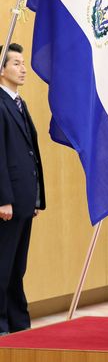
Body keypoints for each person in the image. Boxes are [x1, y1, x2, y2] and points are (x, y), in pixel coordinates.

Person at [0, 43, 45, 335]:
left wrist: (37, 196)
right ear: (1, 70)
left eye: (23, 62)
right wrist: (3, 199)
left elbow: (30, 152)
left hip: (25, 198)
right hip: (9, 201)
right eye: (15, 63)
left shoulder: (20, 102)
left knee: (18, 266)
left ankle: (18, 322)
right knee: (3, 266)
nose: (23, 68)